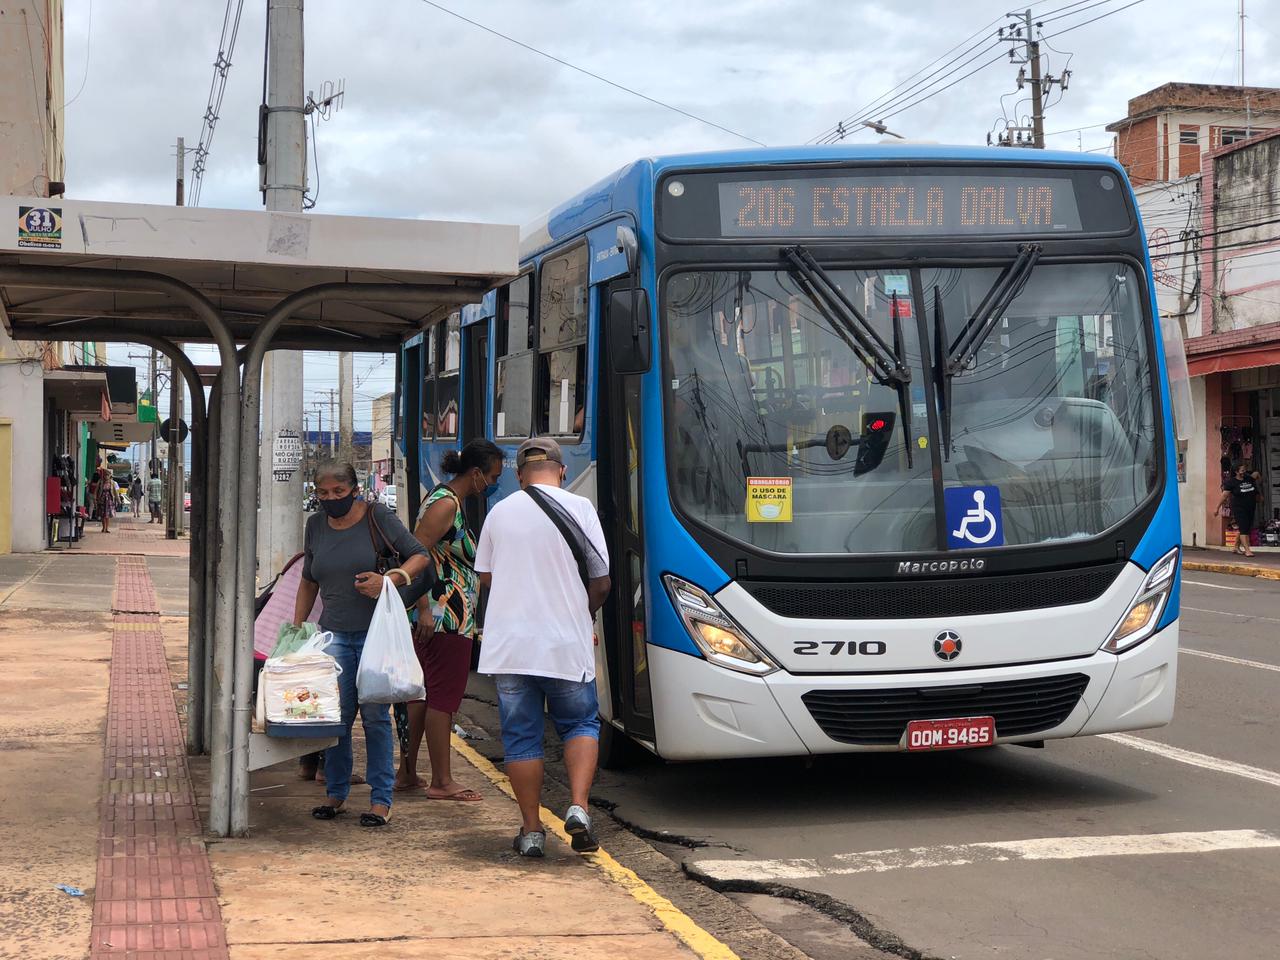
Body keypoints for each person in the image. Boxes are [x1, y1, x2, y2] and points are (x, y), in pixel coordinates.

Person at [474, 438, 611, 858]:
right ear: (562, 470)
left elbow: (486, 577)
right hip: (563, 644)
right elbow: (602, 581)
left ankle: (532, 831)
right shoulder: (581, 509)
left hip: (511, 648)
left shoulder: (499, 512)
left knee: (521, 740)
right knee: (580, 724)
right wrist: (576, 612)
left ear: (519, 475)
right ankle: (579, 808)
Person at [293, 460, 430, 828]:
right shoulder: (316, 525)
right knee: (335, 718)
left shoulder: (377, 516)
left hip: (377, 635)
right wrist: (297, 626)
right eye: (323, 493)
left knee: (374, 718)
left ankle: (381, 800)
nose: (331, 499)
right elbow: (309, 579)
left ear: (354, 489)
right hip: (333, 634)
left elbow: (420, 555)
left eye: (338, 492)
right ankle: (336, 793)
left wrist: (391, 578)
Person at [396, 439, 504, 800]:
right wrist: (425, 608)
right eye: (491, 477)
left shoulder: (445, 500)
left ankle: (408, 772)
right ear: (475, 474)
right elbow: (416, 554)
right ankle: (441, 781)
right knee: (443, 698)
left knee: (424, 696)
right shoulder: (445, 505)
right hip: (446, 616)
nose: (491, 485)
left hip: (443, 614)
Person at [1216, 460, 1262, 558]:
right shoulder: (1231, 482)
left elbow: (1256, 474)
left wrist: (1260, 490)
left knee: (1245, 528)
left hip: (1250, 507)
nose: (1244, 472)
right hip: (1239, 508)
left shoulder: (1248, 478)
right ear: (1236, 472)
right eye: (1242, 470)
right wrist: (1217, 509)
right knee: (1244, 528)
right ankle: (1247, 550)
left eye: (1244, 470)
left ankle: (1236, 547)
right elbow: (1224, 496)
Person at [95, 467, 114, 533]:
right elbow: (96, 490)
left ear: (109, 476)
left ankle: (107, 528)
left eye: (108, 475)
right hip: (102, 499)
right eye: (105, 475)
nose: (106, 476)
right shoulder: (100, 482)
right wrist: (95, 498)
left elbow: (114, 492)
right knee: (103, 514)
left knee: (107, 515)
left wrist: (118, 500)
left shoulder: (111, 482)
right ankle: (103, 527)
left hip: (109, 500)